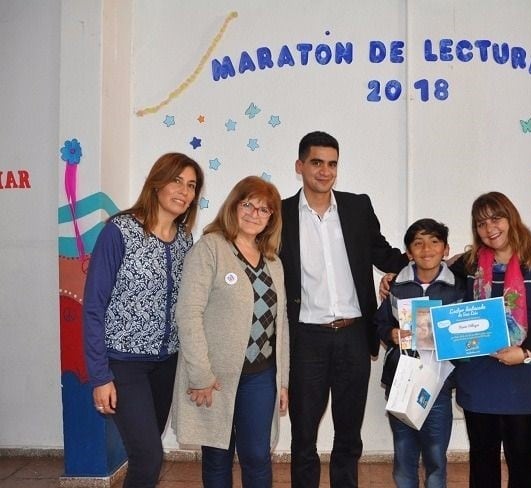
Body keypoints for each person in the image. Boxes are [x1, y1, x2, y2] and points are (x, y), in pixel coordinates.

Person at [279, 131, 409, 488]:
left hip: (353, 335)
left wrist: (428, 262)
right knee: (303, 436)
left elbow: (384, 254)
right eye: (316, 163)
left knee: (349, 435)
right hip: (306, 339)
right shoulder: (280, 214)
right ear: (299, 166)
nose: (325, 171)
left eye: (332, 163)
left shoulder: (356, 208)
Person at [83, 152, 204, 488]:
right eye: (177, 180)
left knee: (145, 457)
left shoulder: (184, 240)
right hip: (124, 365)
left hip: (167, 364)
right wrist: (99, 376)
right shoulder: (118, 232)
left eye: (191, 185)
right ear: (157, 182)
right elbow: (93, 306)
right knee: (148, 456)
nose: (184, 191)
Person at [172, 176, 289, 488]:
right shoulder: (210, 249)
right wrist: (200, 375)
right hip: (215, 378)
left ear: (271, 218)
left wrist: (283, 382)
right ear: (234, 205)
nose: (254, 214)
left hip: (261, 376)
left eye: (264, 210)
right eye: (248, 204)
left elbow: (282, 325)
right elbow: (188, 314)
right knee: (217, 457)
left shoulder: (273, 261)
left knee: (257, 456)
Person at [450, 191, 531, 488]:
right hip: (479, 376)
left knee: (524, 459)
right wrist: (393, 281)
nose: (490, 229)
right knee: (482, 459)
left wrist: (525, 351)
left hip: (526, 376)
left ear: (511, 217)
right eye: (481, 223)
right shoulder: (467, 264)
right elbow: (430, 276)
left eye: (496, 218)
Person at [374, 218, 466, 488]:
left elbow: (467, 331)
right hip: (401, 382)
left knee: (436, 454)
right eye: (418, 243)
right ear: (409, 252)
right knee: (404, 453)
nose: (427, 249)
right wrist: (390, 334)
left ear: (446, 250)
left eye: (434, 242)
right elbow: (380, 323)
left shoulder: (458, 288)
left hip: (438, 384)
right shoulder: (396, 287)